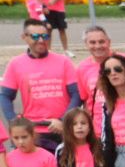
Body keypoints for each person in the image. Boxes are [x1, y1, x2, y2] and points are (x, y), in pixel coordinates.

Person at [2, 18, 82, 148]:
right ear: (24, 37)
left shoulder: (63, 61)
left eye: (45, 36)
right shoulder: (15, 64)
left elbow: (76, 94)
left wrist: (63, 120)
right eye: (35, 36)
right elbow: (5, 96)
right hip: (32, 132)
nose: (41, 40)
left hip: (61, 129)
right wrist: (14, 121)